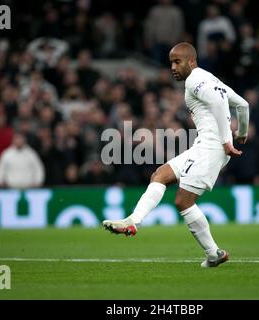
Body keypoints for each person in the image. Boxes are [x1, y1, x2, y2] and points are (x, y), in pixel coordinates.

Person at [103, 42, 249, 268]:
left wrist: (227, 141)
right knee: (160, 175)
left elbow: (220, 104)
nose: (172, 67)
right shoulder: (210, 78)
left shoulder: (195, 80)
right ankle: (133, 221)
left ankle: (214, 254)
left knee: (183, 201)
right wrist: (242, 133)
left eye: (177, 61)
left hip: (212, 147)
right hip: (206, 145)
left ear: (192, 61)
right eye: (171, 62)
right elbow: (243, 105)